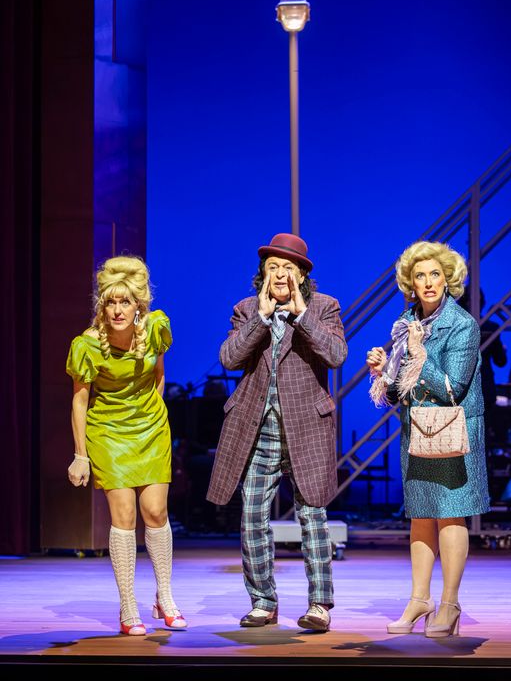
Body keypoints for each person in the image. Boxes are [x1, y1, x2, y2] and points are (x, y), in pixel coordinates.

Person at [207, 233, 348, 632]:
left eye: (288, 267)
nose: (280, 274)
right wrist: (260, 318)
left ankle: (319, 604)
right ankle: (263, 601)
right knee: (253, 515)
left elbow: (336, 355)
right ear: (263, 274)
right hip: (257, 427)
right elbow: (229, 358)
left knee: (312, 515)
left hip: (307, 426)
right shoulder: (246, 308)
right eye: (273, 267)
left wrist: (301, 316)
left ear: (302, 275)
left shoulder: (324, 307)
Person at [367, 241, 489, 638]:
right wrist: (383, 373)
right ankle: (419, 599)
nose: (428, 282)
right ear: (411, 284)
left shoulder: (462, 325)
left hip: (453, 432)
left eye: (435, 274)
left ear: (448, 279)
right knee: (420, 515)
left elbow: (453, 388)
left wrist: (419, 355)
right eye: (420, 276)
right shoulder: (407, 324)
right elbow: (398, 393)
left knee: (451, 514)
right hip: (418, 431)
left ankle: (449, 604)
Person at [66, 256, 187, 635]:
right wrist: (80, 455)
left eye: (125, 302)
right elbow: (80, 402)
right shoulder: (87, 345)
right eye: (110, 302)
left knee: (156, 511)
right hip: (108, 432)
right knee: (124, 516)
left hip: (150, 428)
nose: (117, 310)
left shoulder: (155, 329)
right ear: (102, 306)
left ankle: (165, 596)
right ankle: (128, 605)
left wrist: (153, 419)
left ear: (139, 305)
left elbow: (159, 376)